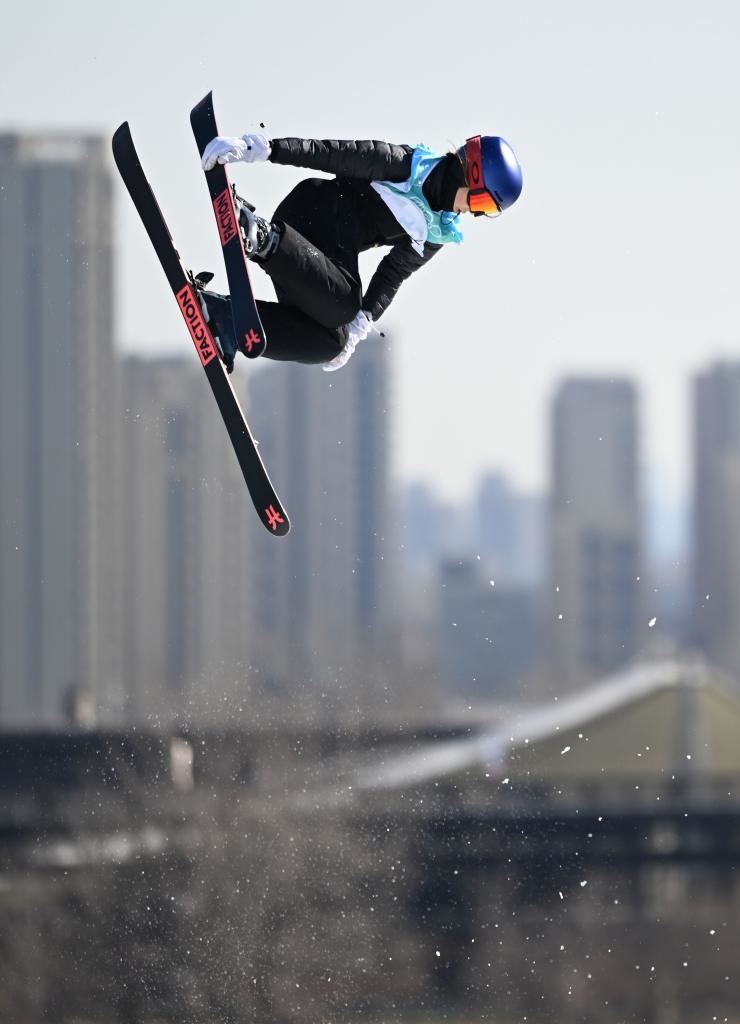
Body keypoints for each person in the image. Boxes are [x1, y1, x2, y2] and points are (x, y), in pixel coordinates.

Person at [199, 128, 523, 372]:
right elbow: (328, 154)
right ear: (470, 172)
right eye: (482, 202)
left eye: (486, 211)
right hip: (310, 211)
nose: (474, 213)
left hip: (313, 258)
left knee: (330, 342)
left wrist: (360, 326)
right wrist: (263, 150)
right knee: (343, 305)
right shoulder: (404, 165)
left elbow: (394, 274)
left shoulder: (438, 230)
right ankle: (261, 236)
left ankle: (225, 319)